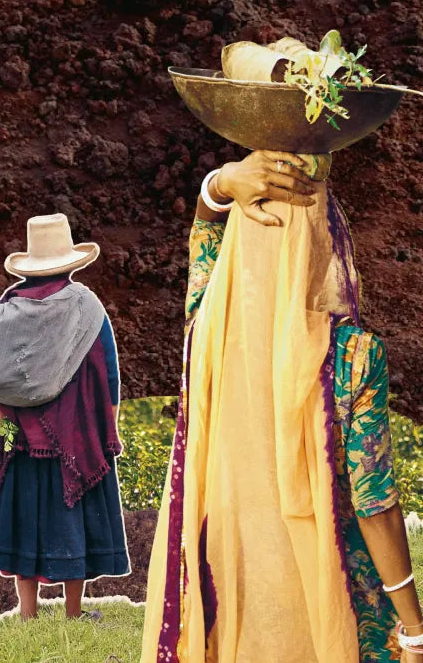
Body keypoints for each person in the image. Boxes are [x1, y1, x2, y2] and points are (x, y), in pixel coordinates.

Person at [142, 151, 423, 662]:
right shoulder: (353, 356)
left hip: (226, 582)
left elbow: (206, 235)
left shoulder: (205, 329)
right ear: (326, 240)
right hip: (324, 591)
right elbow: (373, 501)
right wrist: (414, 627)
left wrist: (224, 183)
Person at [0, 213, 130, 620]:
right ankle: (73, 611)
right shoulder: (85, 308)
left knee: (20, 513)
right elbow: (106, 372)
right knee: (69, 514)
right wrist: (103, 428)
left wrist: (2, 417)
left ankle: (27, 612)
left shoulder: (6, 309)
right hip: (69, 435)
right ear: (71, 264)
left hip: (13, 433)